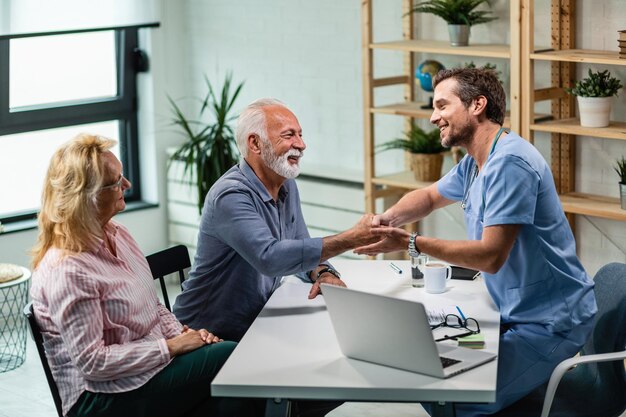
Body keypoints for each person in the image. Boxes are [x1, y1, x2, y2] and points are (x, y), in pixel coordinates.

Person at [355, 68, 597, 416]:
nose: (433, 116)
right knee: (436, 374)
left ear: (477, 105)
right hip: (512, 311)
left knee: (457, 401)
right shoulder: (476, 162)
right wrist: (385, 221)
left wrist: (412, 243)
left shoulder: (510, 163)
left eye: (441, 105)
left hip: (550, 321)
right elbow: (428, 196)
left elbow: (490, 256)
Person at [30, 134, 260, 417]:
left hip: (146, 372)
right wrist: (173, 347)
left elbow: (153, 307)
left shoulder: (120, 234)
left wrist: (186, 336)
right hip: (99, 398)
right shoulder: (68, 270)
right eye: (115, 182)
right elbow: (93, 363)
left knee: (230, 394)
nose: (126, 185)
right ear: (85, 197)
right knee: (231, 356)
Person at [173, 98, 375, 343]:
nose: (301, 144)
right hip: (206, 336)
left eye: (300, 135)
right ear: (255, 143)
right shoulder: (230, 195)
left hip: (255, 323)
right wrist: (352, 238)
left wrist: (322, 272)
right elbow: (270, 258)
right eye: (289, 135)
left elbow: (300, 245)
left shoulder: (286, 184)